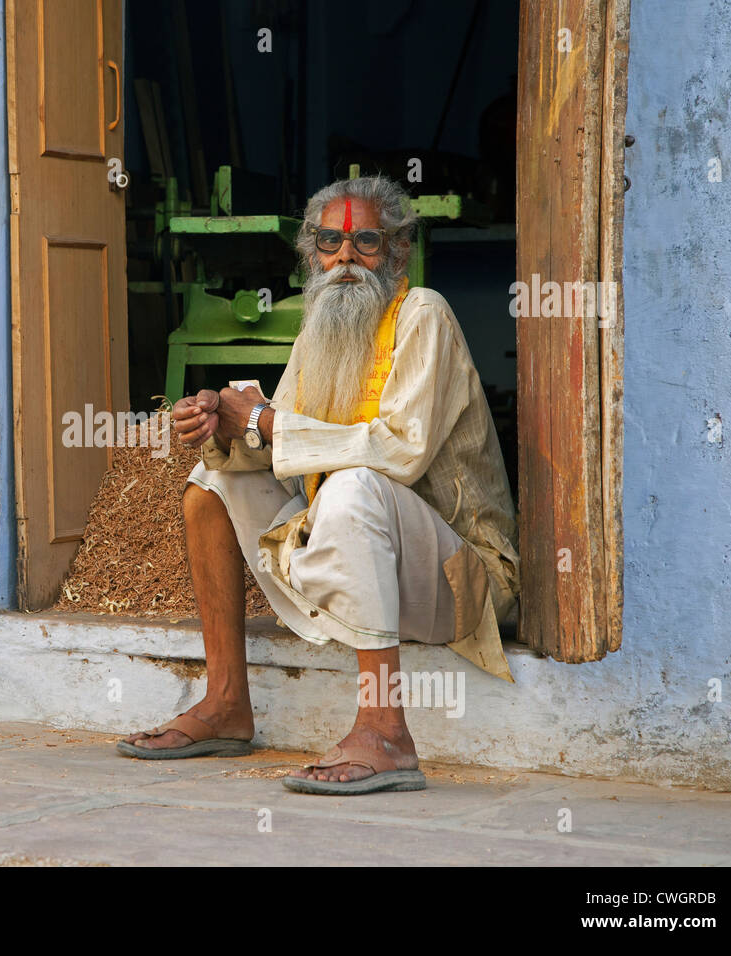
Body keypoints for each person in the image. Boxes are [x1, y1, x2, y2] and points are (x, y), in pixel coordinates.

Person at [117, 174, 519, 795]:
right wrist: (226, 422)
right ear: (312, 253)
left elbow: (399, 453)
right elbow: (274, 440)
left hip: (460, 581)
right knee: (208, 487)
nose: (346, 258)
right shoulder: (319, 329)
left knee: (355, 486)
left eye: (366, 242)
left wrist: (265, 419)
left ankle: (385, 730)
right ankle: (226, 702)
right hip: (369, 567)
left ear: (398, 251)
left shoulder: (423, 315)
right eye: (331, 242)